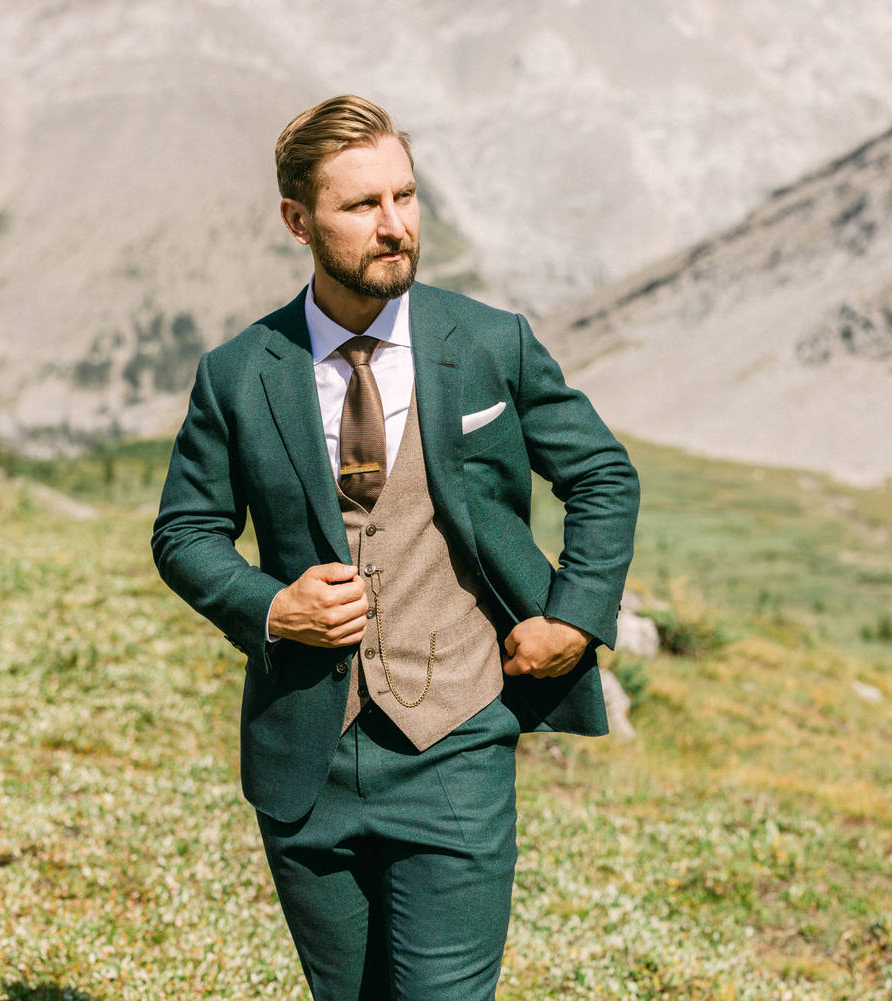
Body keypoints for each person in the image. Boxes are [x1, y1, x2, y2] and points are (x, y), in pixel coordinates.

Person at [151, 94, 638, 1001]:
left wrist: (574, 617)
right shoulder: (237, 373)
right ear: (298, 221)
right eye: (362, 205)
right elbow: (184, 531)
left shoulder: (492, 345)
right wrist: (269, 606)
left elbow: (605, 477)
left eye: (405, 197)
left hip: (454, 743)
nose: (394, 226)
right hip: (305, 759)